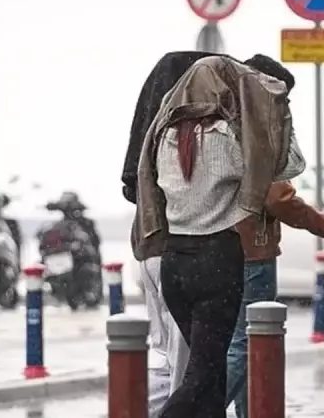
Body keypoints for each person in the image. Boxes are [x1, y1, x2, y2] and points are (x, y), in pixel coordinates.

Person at [134, 55, 306, 418]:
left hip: (174, 262)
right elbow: (287, 165)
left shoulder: (164, 136)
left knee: (208, 377)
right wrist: (274, 109)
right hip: (216, 260)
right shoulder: (230, 139)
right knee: (202, 374)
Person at [223, 55, 324, 418]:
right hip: (253, 253)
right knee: (249, 343)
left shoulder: (224, 119)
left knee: (238, 341)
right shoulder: (255, 129)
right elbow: (279, 198)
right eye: (282, 97)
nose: (284, 106)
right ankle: (199, 410)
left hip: (221, 250)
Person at [121, 51, 226, 416]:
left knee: (165, 356)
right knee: (185, 365)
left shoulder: (152, 133)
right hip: (178, 254)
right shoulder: (187, 136)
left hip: (150, 248)